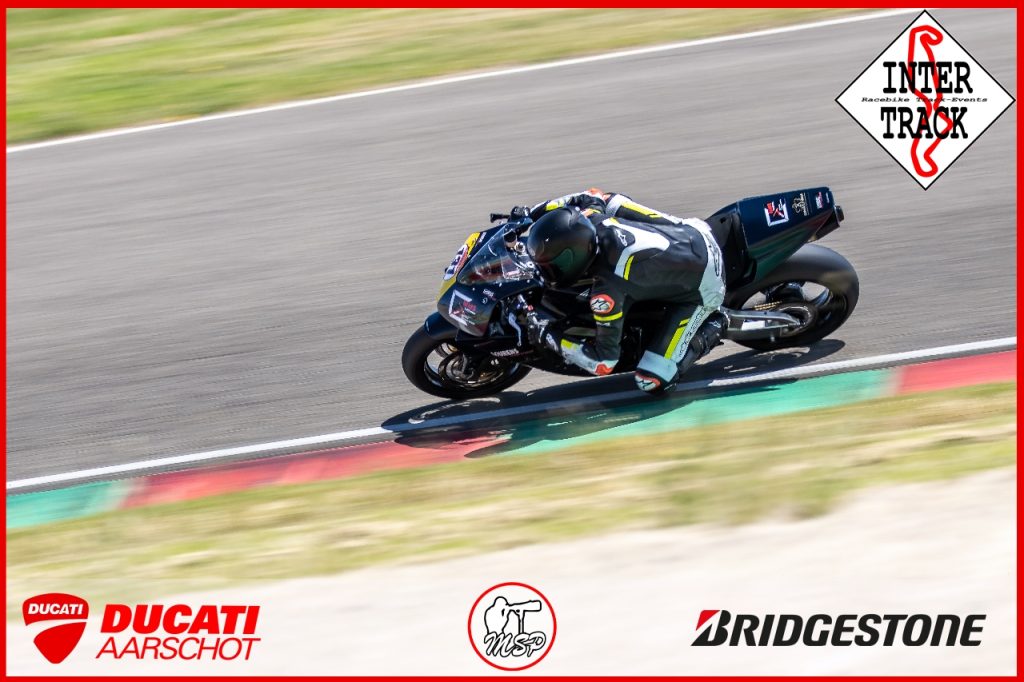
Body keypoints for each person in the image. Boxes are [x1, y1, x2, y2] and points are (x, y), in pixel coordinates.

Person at [519, 188, 726, 393]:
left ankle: (718, 322)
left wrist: (548, 336)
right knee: (611, 201)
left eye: (552, 265)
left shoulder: (607, 292)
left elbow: (603, 362)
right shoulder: (592, 219)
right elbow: (592, 195)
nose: (546, 270)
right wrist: (532, 212)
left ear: (574, 257)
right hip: (693, 230)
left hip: (707, 284)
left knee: (651, 379)